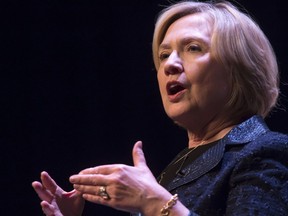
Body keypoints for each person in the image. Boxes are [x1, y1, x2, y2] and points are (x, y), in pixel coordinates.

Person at [32, 1, 288, 215]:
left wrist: (154, 203)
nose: (170, 65)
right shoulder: (171, 175)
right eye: (164, 55)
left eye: (192, 48)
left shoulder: (267, 152)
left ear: (239, 70)